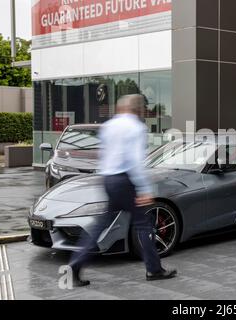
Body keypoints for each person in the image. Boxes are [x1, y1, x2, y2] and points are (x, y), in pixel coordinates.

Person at [68, 94, 177, 287]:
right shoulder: (136, 127)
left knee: (100, 224)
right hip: (125, 180)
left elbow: (104, 154)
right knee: (143, 224)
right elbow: (135, 162)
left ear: (120, 108)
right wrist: (144, 189)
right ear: (138, 109)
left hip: (109, 179)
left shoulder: (109, 126)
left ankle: (75, 265)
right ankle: (154, 269)